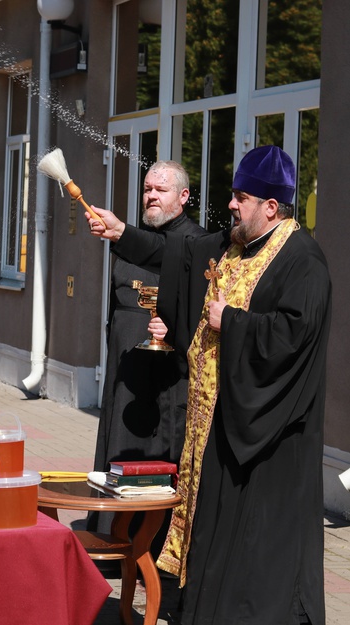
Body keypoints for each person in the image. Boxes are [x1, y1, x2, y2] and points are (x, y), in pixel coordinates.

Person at [86, 145, 331, 624]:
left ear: (271, 207)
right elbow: (174, 253)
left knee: (256, 555)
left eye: (241, 197)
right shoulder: (235, 243)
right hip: (213, 430)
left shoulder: (303, 262)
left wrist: (233, 321)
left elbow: (294, 337)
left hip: (265, 439)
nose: (232, 206)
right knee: (213, 546)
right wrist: (121, 234)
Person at [90, 161, 205, 549]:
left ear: (184, 197)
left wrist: (122, 232)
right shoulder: (130, 241)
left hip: (164, 383)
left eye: (161, 190)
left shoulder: (195, 242)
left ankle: (150, 545)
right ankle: (109, 536)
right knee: (116, 447)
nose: (151, 196)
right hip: (124, 370)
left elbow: (168, 258)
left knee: (156, 457)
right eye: (147, 189)